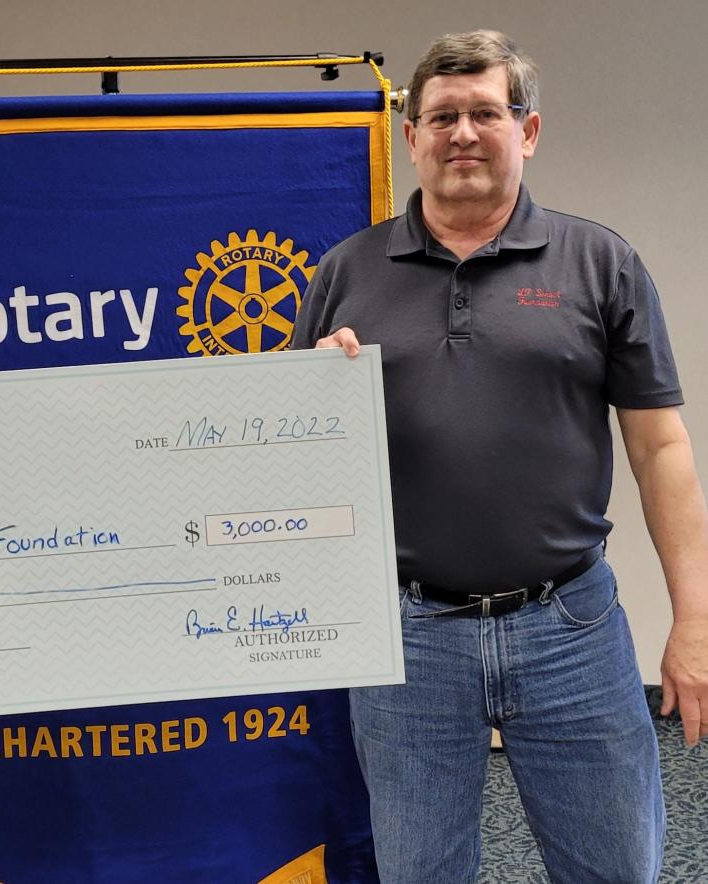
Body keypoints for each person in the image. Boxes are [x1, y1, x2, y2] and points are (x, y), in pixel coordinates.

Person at [294, 30, 708, 883]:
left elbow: (660, 446)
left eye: (486, 112)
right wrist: (316, 400)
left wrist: (694, 620)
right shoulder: (345, 274)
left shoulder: (600, 263)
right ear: (410, 137)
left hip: (572, 627)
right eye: (441, 116)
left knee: (615, 868)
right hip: (406, 636)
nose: (463, 134)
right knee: (419, 873)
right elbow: (297, 460)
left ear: (528, 131)